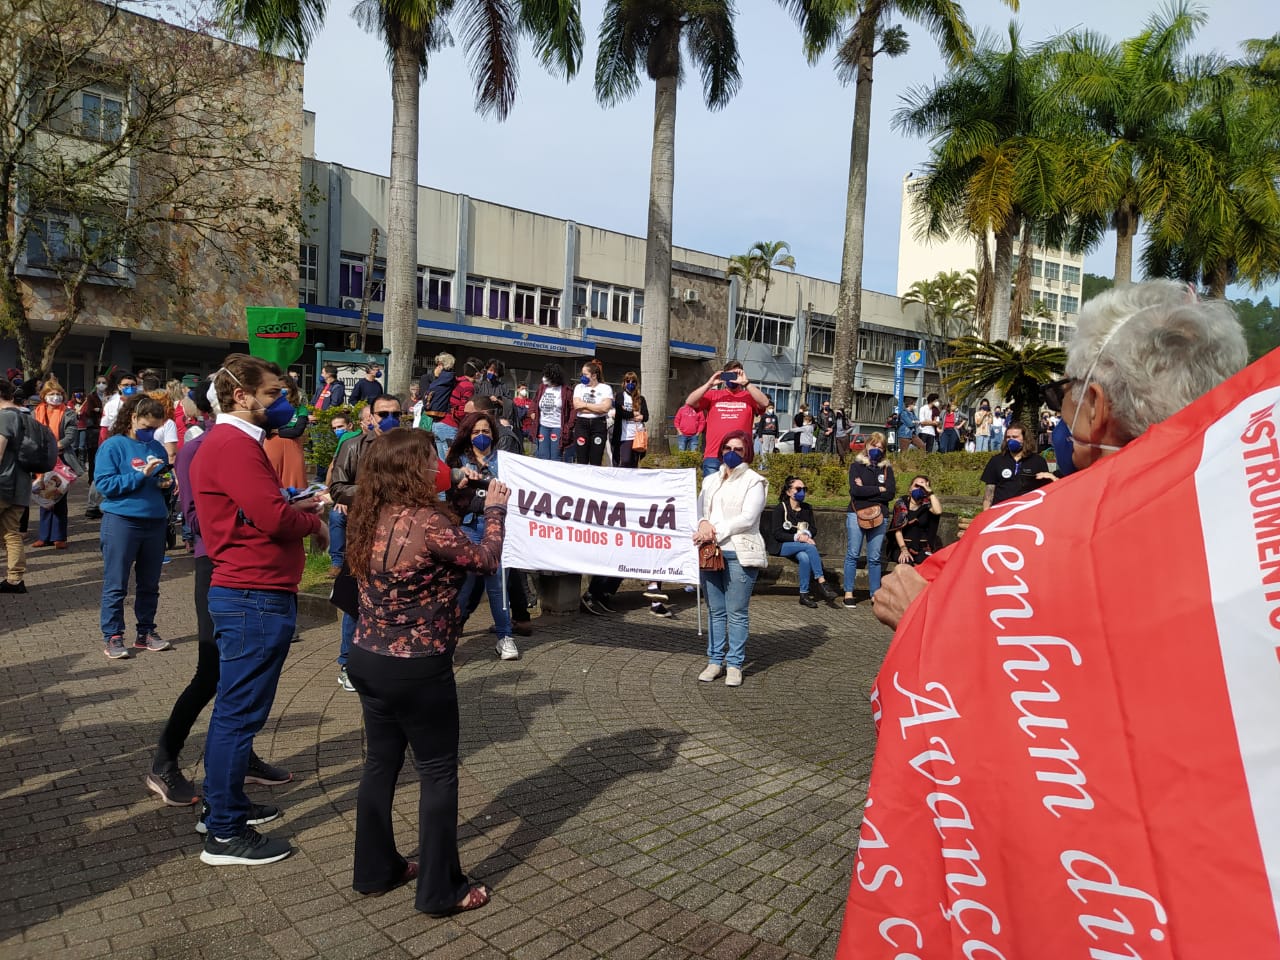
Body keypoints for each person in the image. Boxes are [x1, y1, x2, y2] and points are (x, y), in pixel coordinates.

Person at [872, 279, 1248, 632]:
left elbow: (1035, 682)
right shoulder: (1250, 528)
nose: (1060, 412)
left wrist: (924, 616)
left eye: (1063, 391)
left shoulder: (1030, 547)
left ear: (1095, 408)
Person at [345, 428, 502, 915]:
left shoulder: (368, 513)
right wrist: (494, 511)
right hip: (417, 667)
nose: (441, 466)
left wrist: (459, 501)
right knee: (437, 774)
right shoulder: (429, 522)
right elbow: (485, 560)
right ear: (414, 470)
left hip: (367, 658)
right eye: (431, 459)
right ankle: (440, 890)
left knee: (380, 765)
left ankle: (375, 870)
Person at [190, 354, 327, 866]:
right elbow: (271, 518)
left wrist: (296, 506)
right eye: (272, 394)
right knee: (238, 716)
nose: (282, 403)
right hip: (252, 594)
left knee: (236, 712)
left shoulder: (232, 443)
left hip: (253, 591)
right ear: (241, 396)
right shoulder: (233, 444)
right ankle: (224, 833)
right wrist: (309, 522)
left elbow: (259, 509)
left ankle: (223, 808)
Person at [146, 379, 292, 806]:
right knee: (212, 670)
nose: (278, 406)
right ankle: (165, 760)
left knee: (237, 679)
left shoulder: (242, 444)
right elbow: (199, 515)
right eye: (270, 396)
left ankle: (238, 759)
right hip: (220, 565)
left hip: (239, 564)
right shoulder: (205, 447)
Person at [330, 394, 406, 690]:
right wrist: (373, 491)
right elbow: (337, 488)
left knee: (393, 599)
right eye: (384, 413)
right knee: (355, 601)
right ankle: (348, 663)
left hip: (400, 537)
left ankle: (389, 659)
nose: (390, 419)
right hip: (364, 535)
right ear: (371, 416)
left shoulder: (409, 446)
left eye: (396, 414)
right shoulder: (354, 446)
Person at [94, 394, 174, 659]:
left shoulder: (157, 448)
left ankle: (146, 632)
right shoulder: (113, 446)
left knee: (150, 583)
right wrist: (140, 475)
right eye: (146, 427)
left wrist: (168, 483)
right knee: (116, 583)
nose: (150, 433)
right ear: (133, 418)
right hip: (122, 521)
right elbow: (105, 485)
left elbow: (162, 482)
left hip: (154, 521)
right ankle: (113, 635)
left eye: (155, 428)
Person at [694, 431, 768, 687]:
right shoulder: (711, 480)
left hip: (739, 551)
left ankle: (735, 663)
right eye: (727, 448)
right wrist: (703, 524)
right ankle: (715, 661)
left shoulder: (754, 481)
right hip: (711, 550)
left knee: (736, 612)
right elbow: (701, 510)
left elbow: (748, 518)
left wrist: (716, 530)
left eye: (738, 449)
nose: (731, 453)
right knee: (715, 611)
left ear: (747, 451)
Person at [446, 411, 520, 661]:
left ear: (493, 434)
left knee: (498, 586)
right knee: (462, 588)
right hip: (467, 527)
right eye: (476, 432)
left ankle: (505, 637)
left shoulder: (506, 461)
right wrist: (460, 484)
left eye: (485, 431)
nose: (481, 436)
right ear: (468, 434)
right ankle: (450, 640)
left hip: (495, 527)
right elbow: (448, 497)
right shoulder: (457, 460)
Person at [686, 361, 768, 476]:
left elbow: (764, 403)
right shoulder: (713, 395)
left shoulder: (749, 396)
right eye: (729, 375)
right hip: (714, 455)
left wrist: (746, 383)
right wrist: (709, 384)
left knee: (737, 493)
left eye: (735, 375)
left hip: (740, 455)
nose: (732, 379)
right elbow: (689, 401)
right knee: (712, 492)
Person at [842, 431, 895, 608]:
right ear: (867, 445)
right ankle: (848, 591)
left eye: (880, 447)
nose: (877, 449)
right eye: (874, 445)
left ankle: (875, 593)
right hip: (856, 513)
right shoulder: (856, 466)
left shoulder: (887, 468)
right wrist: (879, 489)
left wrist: (868, 489)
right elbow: (855, 492)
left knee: (874, 557)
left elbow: (890, 493)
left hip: (880, 515)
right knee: (853, 554)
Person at [770, 475, 838, 608]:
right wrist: (798, 537)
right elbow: (777, 533)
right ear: (789, 491)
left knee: (805, 558)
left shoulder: (806, 508)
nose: (802, 491)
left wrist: (806, 534)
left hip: (800, 547)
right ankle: (822, 581)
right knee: (809, 547)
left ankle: (804, 594)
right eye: (798, 488)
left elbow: (813, 528)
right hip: (781, 545)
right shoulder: (780, 508)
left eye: (804, 489)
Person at [31, 381, 76, 549]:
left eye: (58, 394)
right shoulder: (35, 413)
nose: (55, 397)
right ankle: (44, 536)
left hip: (61, 459)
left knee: (59, 498)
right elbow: (31, 433)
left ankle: (59, 536)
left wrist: (56, 446)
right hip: (42, 459)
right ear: (44, 396)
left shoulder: (68, 413)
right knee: (44, 497)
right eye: (51, 394)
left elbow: (71, 435)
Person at [0, 377, 31, 594]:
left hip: (3, 482)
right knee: (12, 532)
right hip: (21, 484)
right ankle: (14, 579)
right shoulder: (26, 416)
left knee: (10, 533)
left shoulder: (4, 418)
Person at [979, 421, 1052, 511]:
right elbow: (988, 494)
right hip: (1000, 511)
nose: (1011, 440)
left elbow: (1044, 491)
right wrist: (986, 514)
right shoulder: (996, 460)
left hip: (1026, 512)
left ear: (1025, 439)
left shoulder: (1038, 461)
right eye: (1008, 437)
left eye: (1015, 437)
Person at [263, 376, 309, 490]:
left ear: (292, 389)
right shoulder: (270, 408)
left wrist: (278, 431)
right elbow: (267, 430)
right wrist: (282, 431)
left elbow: (297, 431)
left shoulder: (300, 409)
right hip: (272, 446)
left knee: (295, 476)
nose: (282, 390)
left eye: (284, 387)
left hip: (293, 446)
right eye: (279, 388)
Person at [889, 474, 942, 566]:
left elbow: (938, 511)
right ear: (910, 488)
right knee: (906, 562)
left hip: (921, 547)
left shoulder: (926, 505)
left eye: (922, 487)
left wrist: (930, 492)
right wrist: (904, 549)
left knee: (930, 563)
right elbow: (898, 530)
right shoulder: (901, 504)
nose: (919, 489)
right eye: (917, 486)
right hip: (902, 545)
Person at [324, 412, 352, 578]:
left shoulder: (351, 439)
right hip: (347, 492)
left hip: (364, 494)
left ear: (350, 426)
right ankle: (337, 562)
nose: (338, 431)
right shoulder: (345, 442)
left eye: (340, 427)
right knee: (336, 516)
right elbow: (333, 467)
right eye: (334, 428)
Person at [570, 361, 612, 466]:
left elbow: (605, 408)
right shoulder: (579, 387)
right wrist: (597, 408)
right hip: (582, 424)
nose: (582, 377)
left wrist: (585, 405)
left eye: (585, 375)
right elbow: (577, 406)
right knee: (581, 459)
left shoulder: (605, 388)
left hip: (598, 425)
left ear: (594, 375)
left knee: (596, 459)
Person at [531, 362, 574, 462]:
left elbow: (573, 409)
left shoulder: (566, 391)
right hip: (543, 426)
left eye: (547, 376)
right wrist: (532, 412)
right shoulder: (542, 387)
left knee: (555, 457)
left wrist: (569, 425)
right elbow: (535, 401)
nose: (544, 378)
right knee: (542, 455)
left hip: (557, 427)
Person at [613, 371, 649, 468]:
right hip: (625, 435)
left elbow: (645, 416)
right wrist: (635, 414)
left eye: (633, 382)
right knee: (625, 460)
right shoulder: (620, 396)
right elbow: (621, 413)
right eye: (628, 381)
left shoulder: (641, 398)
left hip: (637, 435)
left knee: (634, 462)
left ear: (636, 384)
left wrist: (638, 416)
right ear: (624, 383)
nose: (630, 384)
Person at [99, 371, 139, 445]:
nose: (129, 388)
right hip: (115, 442)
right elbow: (104, 429)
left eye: (132, 385)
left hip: (136, 442)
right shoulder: (110, 405)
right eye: (126, 385)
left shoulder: (141, 403)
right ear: (119, 387)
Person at [473, 358, 515, 424]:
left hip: (498, 421)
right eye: (491, 370)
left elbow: (510, 405)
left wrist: (498, 401)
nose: (492, 373)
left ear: (498, 374)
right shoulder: (479, 385)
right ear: (486, 370)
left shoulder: (503, 387)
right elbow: (473, 402)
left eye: (495, 372)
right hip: (481, 420)